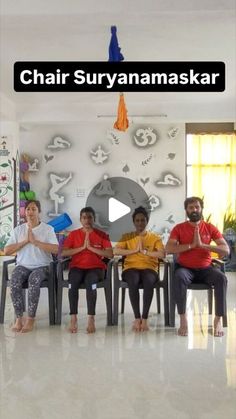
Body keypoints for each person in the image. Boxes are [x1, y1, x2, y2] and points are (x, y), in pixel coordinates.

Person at [165, 196, 230, 337]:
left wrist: (203, 245)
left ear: (201, 209)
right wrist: (191, 246)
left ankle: (218, 319)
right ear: (186, 211)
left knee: (221, 278)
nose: (194, 210)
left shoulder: (210, 227)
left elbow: (226, 250)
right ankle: (183, 319)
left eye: (197, 207)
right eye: (190, 207)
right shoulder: (179, 228)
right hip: (185, 268)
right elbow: (169, 248)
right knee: (179, 277)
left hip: (206, 269)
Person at [4, 200, 59, 333]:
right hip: (23, 265)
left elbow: (55, 249)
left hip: (43, 266)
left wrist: (35, 242)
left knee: (34, 279)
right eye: (28, 209)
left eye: (34, 209)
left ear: (38, 212)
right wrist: (25, 241)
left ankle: (30, 319)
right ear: (25, 212)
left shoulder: (48, 229)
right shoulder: (18, 230)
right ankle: (19, 318)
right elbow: (7, 251)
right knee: (15, 280)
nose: (30, 212)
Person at [61, 206, 113, 334]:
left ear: (94, 219)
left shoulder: (102, 235)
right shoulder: (73, 235)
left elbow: (110, 254)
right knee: (72, 284)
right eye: (84, 217)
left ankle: (91, 319)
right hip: (77, 267)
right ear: (80, 220)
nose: (87, 220)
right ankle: (73, 318)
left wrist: (90, 248)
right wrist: (82, 248)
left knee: (91, 284)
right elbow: (64, 253)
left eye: (90, 217)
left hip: (95, 269)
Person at [114, 206, 165, 332]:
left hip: (149, 268)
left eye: (142, 220)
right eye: (137, 220)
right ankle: (137, 318)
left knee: (148, 281)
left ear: (147, 221)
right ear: (133, 222)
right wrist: (134, 251)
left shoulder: (155, 237)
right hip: (130, 268)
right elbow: (115, 251)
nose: (140, 223)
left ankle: (145, 318)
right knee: (133, 280)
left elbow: (162, 254)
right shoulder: (127, 236)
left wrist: (146, 252)